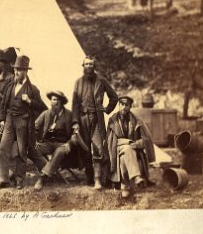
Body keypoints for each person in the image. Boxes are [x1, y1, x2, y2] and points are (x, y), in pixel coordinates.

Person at [0, 55, 46, 190]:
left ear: (26, 71)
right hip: (9, 119)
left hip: (23, 120)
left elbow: (42, 107)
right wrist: (3, 120)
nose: (17, 72)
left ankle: (20, 179)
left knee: (22, 151)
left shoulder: (33, 89)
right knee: (3, 148)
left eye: (20, 70)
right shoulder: (9, 86)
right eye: (16, 69)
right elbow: (3, 106)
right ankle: (3, 179)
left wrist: (29, 101)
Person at [72, 56, 118, 190]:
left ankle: (99, 179)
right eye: (86, 64)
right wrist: (75, 122)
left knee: (98, 148)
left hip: (96, 118)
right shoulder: (78, 82)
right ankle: (89, 177)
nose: (88, 67)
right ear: (83, 66)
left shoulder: (101, 81)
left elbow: (114, 97)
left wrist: (107, 108)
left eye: (91, 64)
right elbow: (75, 103)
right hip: (82, 118)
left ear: (94, 66)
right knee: (85, 149)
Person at [107, 96, 156, 198]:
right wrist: (128, 142)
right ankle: (137, 177)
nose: (124, 107)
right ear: (119, 106)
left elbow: (145, 141)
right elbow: (111, 142)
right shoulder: (113, 121)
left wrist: (136, 144)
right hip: (117, 149)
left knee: (125, 157)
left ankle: (125, 187)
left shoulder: (136, 121)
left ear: (130, 107)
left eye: (127, 105)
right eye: (122, 104)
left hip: (132, 150)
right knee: (127, 149)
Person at [29, 91, 73, 191]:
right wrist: (33, 140)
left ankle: (42, 178)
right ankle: (51, 172)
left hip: (62, 144)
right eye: (53, 100)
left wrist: (69, 143)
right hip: (47, 143)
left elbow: (75, 132)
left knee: (60, 151)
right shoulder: (46, 113)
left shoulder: (70, 115)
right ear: (50, 102)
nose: (55, 102)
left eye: (58, 100)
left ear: (62, 102)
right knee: (31, 149)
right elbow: (34, 127)